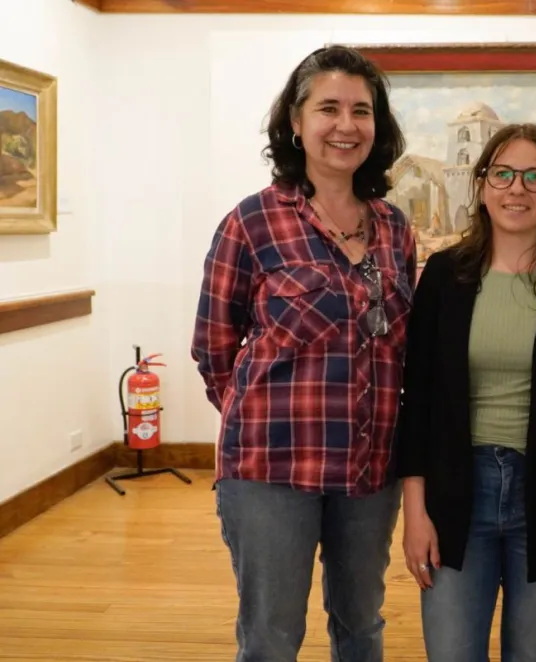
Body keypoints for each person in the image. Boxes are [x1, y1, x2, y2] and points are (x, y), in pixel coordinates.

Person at [190, 45, 415, 662]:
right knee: (271, 635)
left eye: (362, 111)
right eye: (329, 108)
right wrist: (260, 415)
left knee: (362, 623)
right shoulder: (251, 223)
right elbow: (213, 348)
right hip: (272, 472)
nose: (346, 126)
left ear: (378, 125)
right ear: (295, 121)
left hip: (371, 472)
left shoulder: (396, 228)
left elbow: (399, 343)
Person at [395, 123, 536, 661]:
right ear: (481, 185)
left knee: (531, 652)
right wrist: (415, 511)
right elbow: (419, 400)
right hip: (458, 493)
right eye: (502, 173)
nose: (516, 188)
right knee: (452, 652)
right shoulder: (445, 276)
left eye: (532, 175)